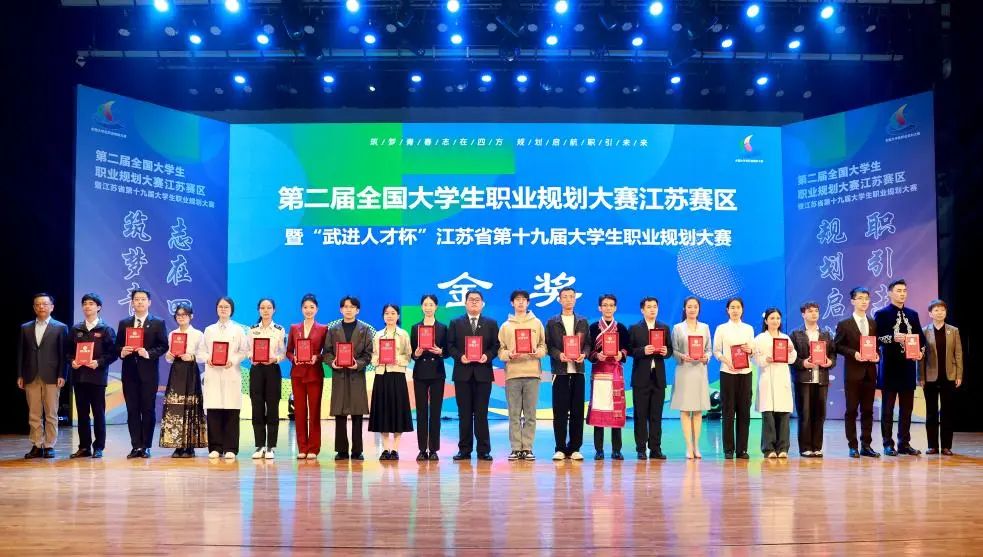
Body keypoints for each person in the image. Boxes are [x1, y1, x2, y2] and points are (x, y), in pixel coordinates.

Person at [874, 279, 926, 456]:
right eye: (898, 290)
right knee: (888, 409)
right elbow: (877, 338)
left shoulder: (913, 314)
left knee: (907, 409)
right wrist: (892, 338)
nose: (902, 293)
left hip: (908, 368)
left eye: (904, 290)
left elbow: (921, 339)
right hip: (889, 367)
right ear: (890, 293)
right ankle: (887, 443)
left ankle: (904, 443)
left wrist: (920, 353)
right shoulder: (881, 314)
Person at [114, 289, 169, 459]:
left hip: (149, 374)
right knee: (132, 410)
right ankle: (135, 446)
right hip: (129, 373)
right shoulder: (124, 323)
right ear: (132, 302)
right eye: (136, 299)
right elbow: (117, 345)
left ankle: (146, 446)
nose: (139, 302)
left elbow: (163, 346)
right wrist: (122, 351)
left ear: (149, 302)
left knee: (148, 409)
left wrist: (149, 353)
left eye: (143, 299)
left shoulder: (158, 323)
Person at [446, 289, 500, 462]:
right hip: (462, 374)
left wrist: (488, 356)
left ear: (482, 304)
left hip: (483, 374)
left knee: (481, 413)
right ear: (465, 303)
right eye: (471, 299)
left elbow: (496, 346)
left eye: (477, 300)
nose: (474, 302)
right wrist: (460, 356)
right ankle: (464, 450)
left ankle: (484, 450)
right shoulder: (456, 323)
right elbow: (450, 345)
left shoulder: (491, 323)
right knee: (464, 414)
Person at [498, 290, 547, 461]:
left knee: (530, 414)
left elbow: (543, 346)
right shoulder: (506, 326)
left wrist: (538, 352)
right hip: (513, 374)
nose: (520, 302)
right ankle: (515, 448)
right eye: (517, 300)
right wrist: (509, 355)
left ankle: (527, 447)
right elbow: (500, 350)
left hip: (532, 373)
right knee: (514, 414)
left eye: (523, 300)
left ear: (528, 303)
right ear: (512, 303)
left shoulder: (537, 323)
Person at [18, 293, 69, 459]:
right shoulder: (25, 327)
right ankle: (36, 444)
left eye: (45, 304)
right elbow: (21, 353)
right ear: (34, 308)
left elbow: (64, 354)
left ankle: (49, 445)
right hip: (30, 375)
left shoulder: (61, 327)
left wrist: (62, 374)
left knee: (51, 413)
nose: (41, 307)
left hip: (53, 375)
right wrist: (20, 374)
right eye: (38, 304)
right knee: (34, 413)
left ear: (51, 307)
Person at [67, 293, 117, 459]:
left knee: (98, 414)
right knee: (82, 414)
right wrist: (72, 361)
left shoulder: (106, 329)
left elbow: (113, 353)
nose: (87, 306)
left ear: (98, 307)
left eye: (91, 303)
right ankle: (84, 447)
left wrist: (99, 362)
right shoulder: (76, 329)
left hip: (97, 378)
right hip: (79, 377)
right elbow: (67, 352)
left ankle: (99, 447)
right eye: (85, 304)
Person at [834, 287, 881, 458]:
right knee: (852, 410)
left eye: (866, 298)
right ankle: (852, 446)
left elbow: (877, 346)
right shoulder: (844, 324)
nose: (864, 301)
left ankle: (866, 445)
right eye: (860, 298)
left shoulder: (873, 323)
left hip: (870, 373)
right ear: (852, 301)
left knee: (868, 411)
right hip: (853, 373)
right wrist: (853, 353)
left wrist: (877, 355)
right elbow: (837, 346)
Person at [324, 295, 373, 461]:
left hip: (356, 375)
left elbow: (368, 354)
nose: (348, 309)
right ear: (341, 309)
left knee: (357, 415)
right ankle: (341, 450)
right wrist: (333, 363)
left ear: (357, 310)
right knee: (340, 414)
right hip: (339, 375)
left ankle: (357, 450)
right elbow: (327, 353)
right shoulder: (333, 330)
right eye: (345, 306)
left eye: (352, 307)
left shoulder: (365, 330)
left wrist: (357, 364)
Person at [201, 297, 249, 459]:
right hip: (213, 373)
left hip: (231, 373)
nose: (223, 309)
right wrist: (207, 358)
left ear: (231, 310)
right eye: (220, 306)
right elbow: (201, 351)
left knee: (231, 410)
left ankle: (231, 448)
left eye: (226, 307)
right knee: (214, 410)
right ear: (216, 309)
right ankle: (215, 447)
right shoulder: (209, 330)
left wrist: (233, 360)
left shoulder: (238, 330)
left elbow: (244, 351)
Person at [545, 286, 590, 461]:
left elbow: (588, 344)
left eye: (571, 296)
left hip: (578, 371)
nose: (568, 300)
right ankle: (560, 448)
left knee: (578, 411)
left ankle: (575, 448)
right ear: (559, 300)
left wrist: (584, 354)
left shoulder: (583, 321)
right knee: (560, 411)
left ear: (575, 299)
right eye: (565, 297)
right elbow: (549, 346)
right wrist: (559, 355)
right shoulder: (552, 322)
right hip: (560, 372)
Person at [789, 301, 837, 458]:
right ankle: (805, 448)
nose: (814, 314)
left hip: (821, 379)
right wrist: (803, 363)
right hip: (803, 380)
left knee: (820, 414)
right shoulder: (795, 334)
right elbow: (790, 358)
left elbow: (833, 354)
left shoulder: (826, 334)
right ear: (803, 314)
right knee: (805, 414)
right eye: (810, 311)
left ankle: (817, 447)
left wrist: (829, 362)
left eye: (816, 311)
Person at [628, 297, 673, 460]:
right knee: (640, 415)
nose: (652, 309)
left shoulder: (664, 328)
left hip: (658, 377)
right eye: (649, 307)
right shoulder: (634, 328)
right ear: (642, 310)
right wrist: (643, 351)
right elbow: (629, 350)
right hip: (641, 377)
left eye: (655, 306)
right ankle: (641, 449)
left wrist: (665, 352)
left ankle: (655, 448)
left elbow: (670, 349)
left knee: (656, 415)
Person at [160, 303, 207, 458]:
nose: (181, 318)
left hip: (190, 371)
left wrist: (191, 356)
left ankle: (189, 446)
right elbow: (168, 357)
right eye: (178, 315)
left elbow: (202, 355)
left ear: (191, 316)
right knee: (175, 407)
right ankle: (177, 445)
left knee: (190, 407)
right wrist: (169, 356)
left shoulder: (198, 334)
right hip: (176, 371)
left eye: (184, 315)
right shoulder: (172, 334)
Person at [587, 294, 630, 461]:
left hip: (615, 373)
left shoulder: (621, 328)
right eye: (605, 305)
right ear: (600, 308)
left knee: (615, 411)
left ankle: (616, 450)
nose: (608, 308)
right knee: (599, 410)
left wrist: (621, 354)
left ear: (615, 308)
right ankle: (599, 450)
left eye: (611, 305)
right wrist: (597, 355)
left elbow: (627, 348)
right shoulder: (593, 328)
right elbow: (588, 350)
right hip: (599, 373)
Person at [369, 304, 414, 461]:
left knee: (397, 411)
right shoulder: (378, 335)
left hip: (397, 375)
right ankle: (385, 448)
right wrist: (378, 360)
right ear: (383, 316)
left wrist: (397, 359)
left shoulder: (403, 334)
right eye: (387, 313)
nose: (390, 316)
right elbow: (373, 356)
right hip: (381, 375)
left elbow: (408, 355)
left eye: (393, 313)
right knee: (383, 412)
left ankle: (395, 449)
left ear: (398, 316)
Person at [712, 297, 756, 459]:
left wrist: (750, 350)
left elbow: (753, 350)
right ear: (727, 310)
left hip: (745, 373)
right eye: (732, 307)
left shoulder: (749, 329)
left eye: (738, 307)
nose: (735, 310)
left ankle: (742, 449)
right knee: (728, 411)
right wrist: (726, 361)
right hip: (727, 372)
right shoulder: (721, 329)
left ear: (742, 310)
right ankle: (728, 449)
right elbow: (716, 351)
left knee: (744, 411)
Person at [285, 293, 328, 460]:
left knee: (315, 411)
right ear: (301, 309)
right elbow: (289, 351)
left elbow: (327, 353)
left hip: (314, 374)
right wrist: (293, 358)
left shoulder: (323, 329)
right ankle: (302, 447)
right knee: (300, 412)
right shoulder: (294, 328)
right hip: (297, 374)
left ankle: (313, 448)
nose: (308, 310)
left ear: (317, 309)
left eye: (311, 307)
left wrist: (317, 357)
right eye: (305, 307)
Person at [919, 299, 963, 455]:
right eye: (936, 310)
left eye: (942, 310)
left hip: (949, 377)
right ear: (930, 313)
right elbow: (921, 358)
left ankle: (946, 446)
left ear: (946, 312)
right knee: (931, 412)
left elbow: (958, 354)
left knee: (947, 412)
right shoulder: (924, 331)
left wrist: (959, 374)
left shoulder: (954, 331)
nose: (939, 313)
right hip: (930, 377)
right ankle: (932, 445)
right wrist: (921, 376)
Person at [670, 296, 711, 460]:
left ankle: (696, 446)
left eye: (695, 306)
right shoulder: (678, 328)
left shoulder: (705, 327)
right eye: (689, 306)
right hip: (684, 370)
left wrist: (706, 357)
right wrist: (682, 356)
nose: (692, 309)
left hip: (699, 371)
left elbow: (708, 349)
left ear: (699, 309)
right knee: (686, 410)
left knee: (698, 410)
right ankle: (688, 447)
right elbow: (673, 350)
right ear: (684, 309)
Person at [409, 294, 449, 461]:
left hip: (437, 372)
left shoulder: (442, 328)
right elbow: (412, 353)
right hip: (420, 373)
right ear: (421, 307)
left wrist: (441, 351)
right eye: (425, 304)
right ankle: (421, 449)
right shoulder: (415, 327)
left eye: (431, 304)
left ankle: (433, 449)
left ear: (436, 307)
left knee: (435, 411)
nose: (428, 307)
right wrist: (416, 354)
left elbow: (448, 351)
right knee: (421, 412)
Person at [753, 308, 796, 459]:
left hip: (782, 378)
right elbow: (754, 359)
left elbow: (793, 359)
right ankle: (768, 449)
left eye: (778, 318)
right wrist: (765, 359)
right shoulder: (759, 339)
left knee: (783, 414)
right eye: (772, 318)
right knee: (768, 415)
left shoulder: (785, 338)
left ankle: (783, 448)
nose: (775, 321)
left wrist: (791, 350)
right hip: (766, 377)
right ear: (766, 321)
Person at [247, 298, 286, 459]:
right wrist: (251, 357)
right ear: (259, 310)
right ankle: (259, 445)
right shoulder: (252, 329)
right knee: (256, 407)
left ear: (274, 310)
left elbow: (283, 352)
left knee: (272, 407)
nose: (266, 310)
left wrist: (275, 359)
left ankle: (271, 446)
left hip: (272, 370)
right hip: (256, 370)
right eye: (262, 308)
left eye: (269, 307)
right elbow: (247, 349)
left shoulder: (279, 330)